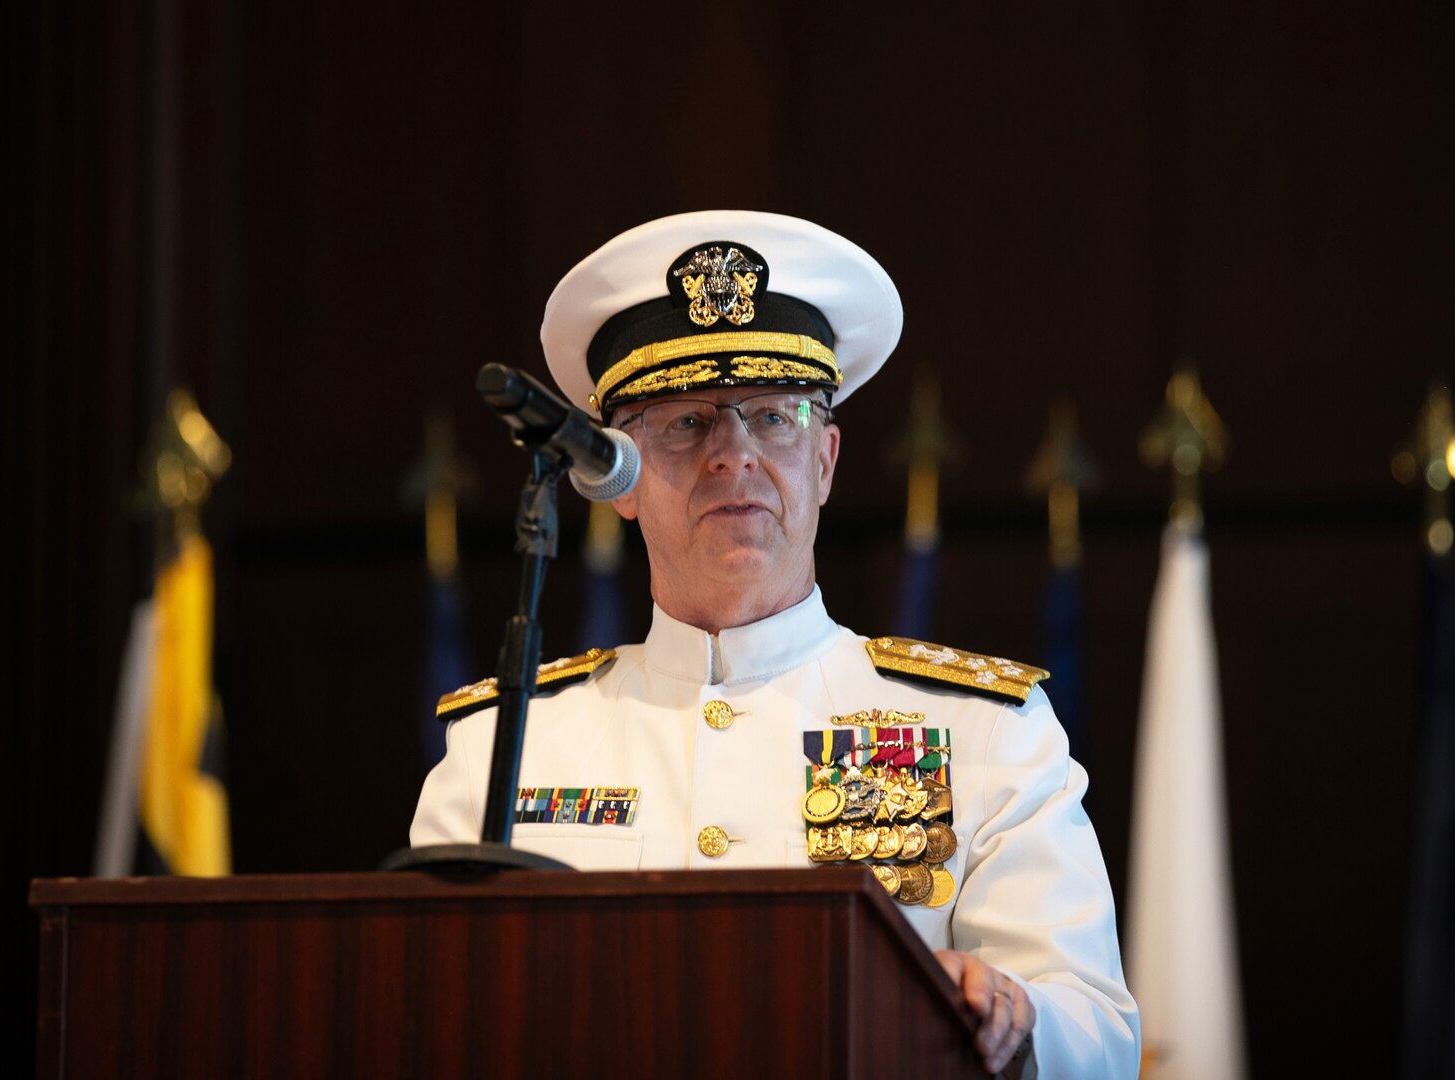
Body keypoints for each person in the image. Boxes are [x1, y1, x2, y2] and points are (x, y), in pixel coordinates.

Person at [411, 210, 1141, 1077]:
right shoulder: (506, 745)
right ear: (617, 480)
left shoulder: (987, 732)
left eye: (774, 416)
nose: (734, 454)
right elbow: (425, 1014)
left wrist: (1015, 1017)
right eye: (685, 423)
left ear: (825, 463)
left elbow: (1096, 1030)